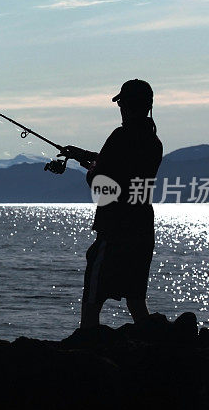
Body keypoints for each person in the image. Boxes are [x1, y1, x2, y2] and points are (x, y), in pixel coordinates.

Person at [59, 79, 163, 328]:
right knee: (136, 301)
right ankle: (154, 349)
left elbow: (101, 184)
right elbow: (123, 165)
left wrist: (91, 170)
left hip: (115, 231)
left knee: (92, 303)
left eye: (122, 104)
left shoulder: (120, 136)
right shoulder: (153, 143)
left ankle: (88, 348)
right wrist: (85, 156)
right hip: (142, 231)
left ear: (126, 105)